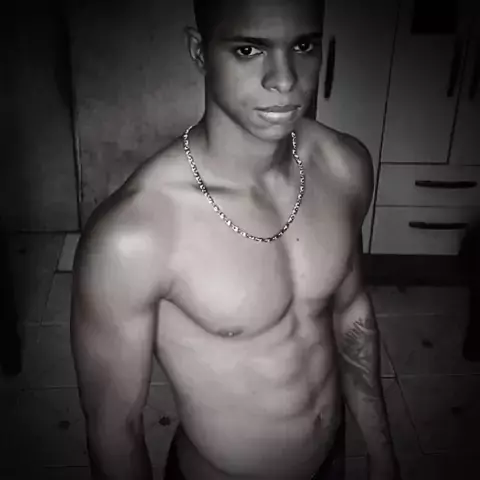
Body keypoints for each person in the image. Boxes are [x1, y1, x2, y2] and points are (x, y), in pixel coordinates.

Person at [70, 0, 402, 478]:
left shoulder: (342, 166)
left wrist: (382, 454)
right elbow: (113, 431)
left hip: (332, 460)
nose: (284, 80)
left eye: (303, 46)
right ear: (199, 52)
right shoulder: (135, 235)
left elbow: (351, 308)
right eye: (249, 49)